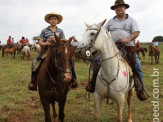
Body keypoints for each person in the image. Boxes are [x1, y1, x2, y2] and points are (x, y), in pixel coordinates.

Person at [86, 0, 148, 101]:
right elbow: (102, 32)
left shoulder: (131, 20)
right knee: (97, 61)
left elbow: (136, 32)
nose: (119, 8)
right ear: (114, 10)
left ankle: (140, 89)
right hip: (113, 47)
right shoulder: (110, 21)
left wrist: (128, 39)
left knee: (136, 65)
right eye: (117, 7)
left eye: (121, 7)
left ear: (125, 8)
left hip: (128, 47)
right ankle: (92, 84)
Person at [28, 12, 78, 91]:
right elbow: (40, 41)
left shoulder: (60, 31)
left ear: (57, 21)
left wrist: (56, 40)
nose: (53, 20)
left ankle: (73, 79)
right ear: (49, 21)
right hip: (46, 50)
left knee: (70, 61)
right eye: (52, 19)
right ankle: (33, 81)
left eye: (55, 19)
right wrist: (45, 43)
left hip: (58, 50)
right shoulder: (44, 30)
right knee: (35, 62)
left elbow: (63, 42)